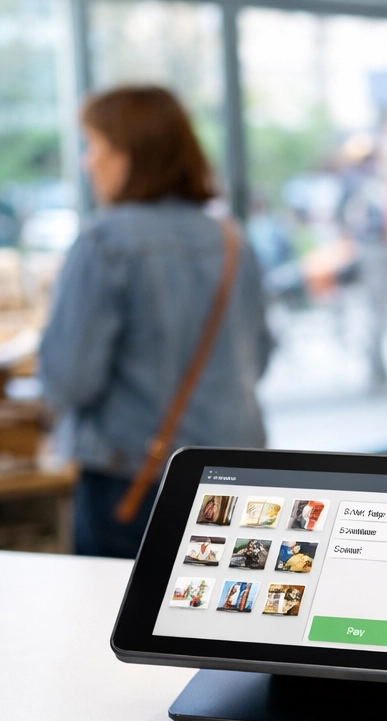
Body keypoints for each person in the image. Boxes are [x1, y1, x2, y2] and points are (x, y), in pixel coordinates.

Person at [39, 86, 273, 558]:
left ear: (130, 155)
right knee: (216, 620)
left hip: (134, 479)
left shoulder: (105, 242)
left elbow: (69, 380)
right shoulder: (231, 239)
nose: (88, 163)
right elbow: (261, 354)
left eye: (95, 146)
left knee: (114, 623)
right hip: (237, 474)